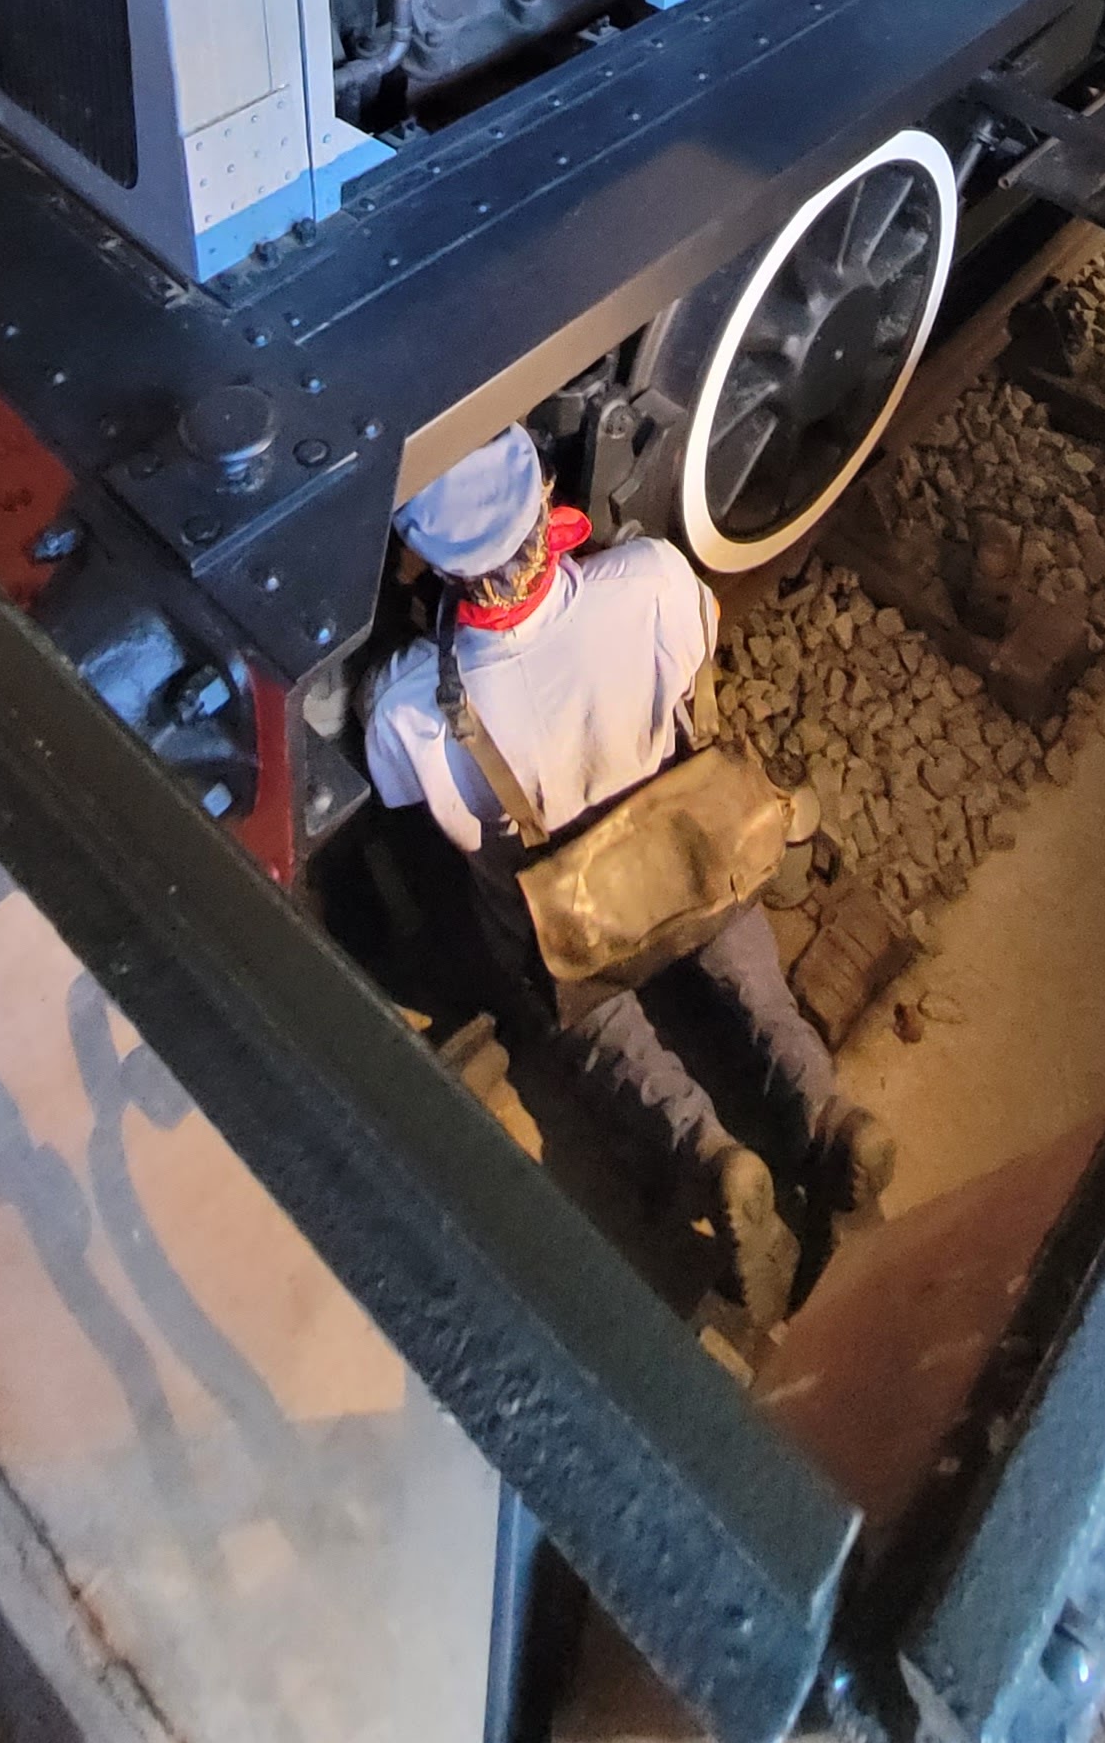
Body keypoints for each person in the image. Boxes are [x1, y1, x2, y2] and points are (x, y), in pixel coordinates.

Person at [363, 427, 893, 1325]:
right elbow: (698, 664)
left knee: (600, 1025)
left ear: (434, 561)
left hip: (574, 930)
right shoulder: (647, 580)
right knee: (755, 989)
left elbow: (398, 793)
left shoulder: (410, 706)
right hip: (693, 864)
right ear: (545, 499)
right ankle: (832, 1118)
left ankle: (715, 1155)